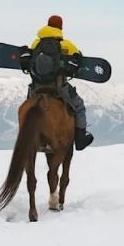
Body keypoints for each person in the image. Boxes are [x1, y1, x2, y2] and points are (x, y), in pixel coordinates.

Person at [26, 15, 94, 150]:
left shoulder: (35, 44)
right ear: (61, 28)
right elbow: (78, 60)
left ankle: (28, 137)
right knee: (79, 107)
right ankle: (80, 140)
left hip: (36, 87)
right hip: (59, 86)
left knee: (28, 110)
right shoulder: (66, 44)